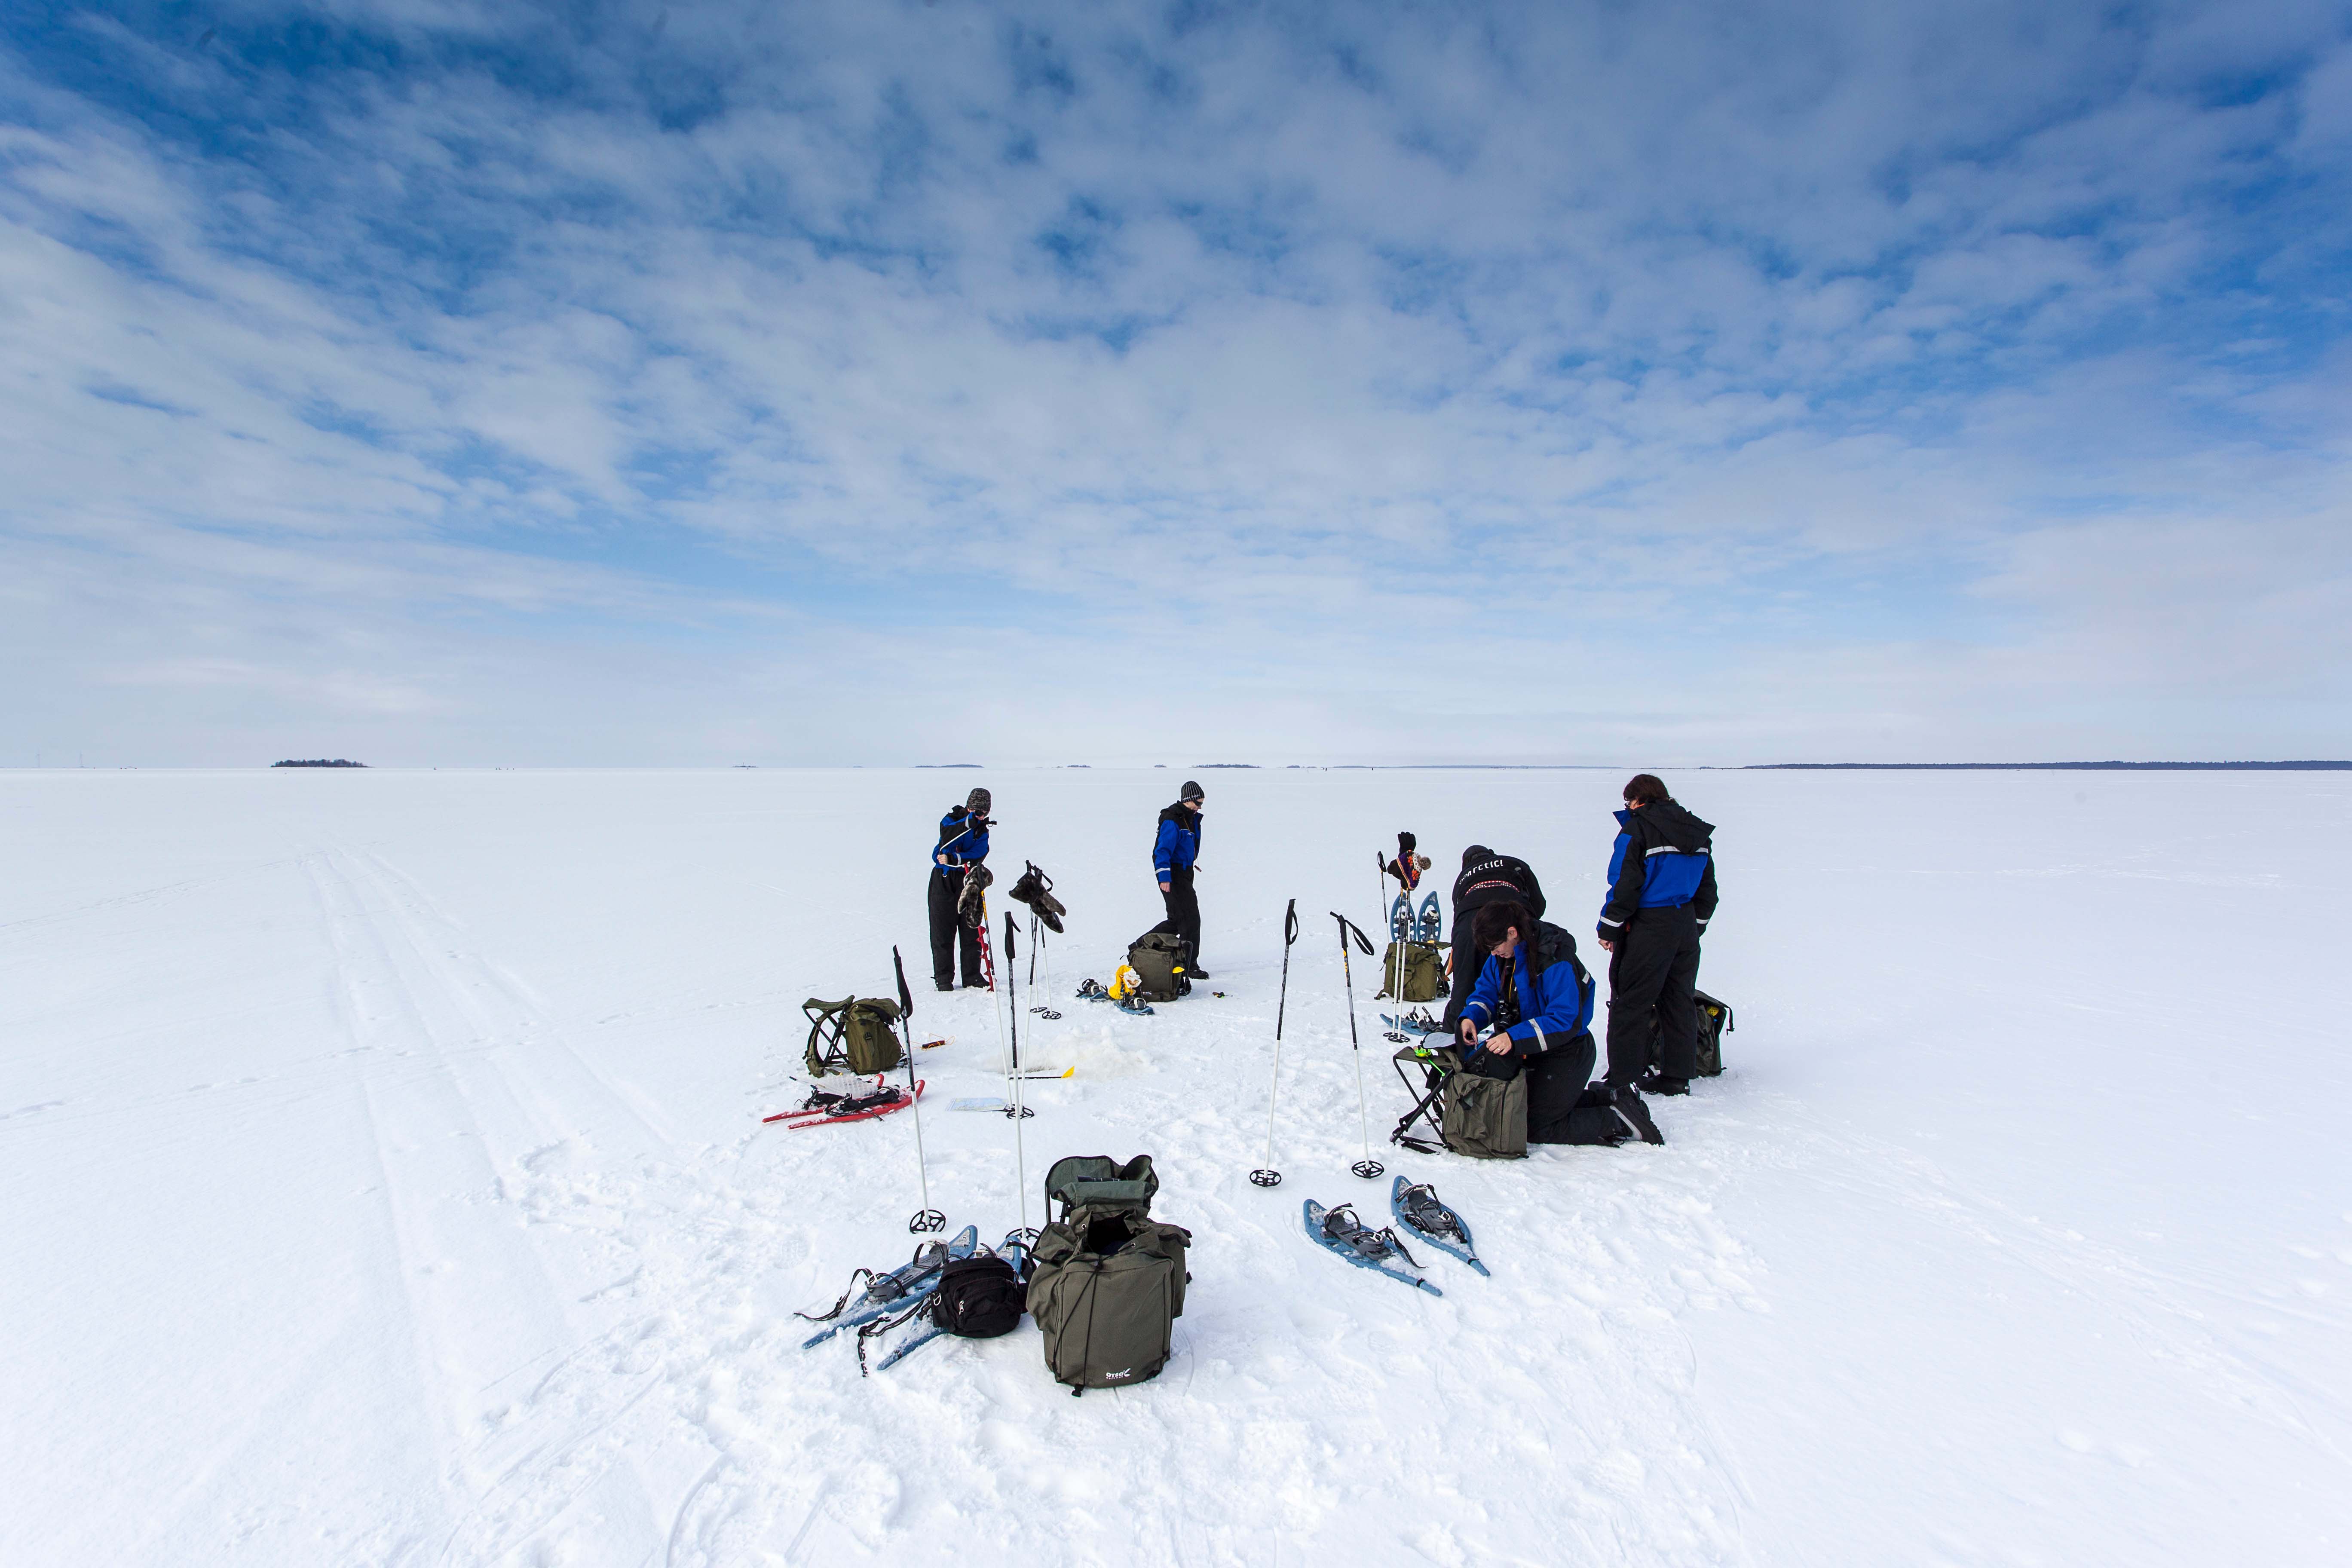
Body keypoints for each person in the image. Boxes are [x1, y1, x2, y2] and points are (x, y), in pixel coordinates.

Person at [1456, 900, 1661, 1145]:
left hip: (1569, 1050)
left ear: (1512, 932)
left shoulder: (1554, 958)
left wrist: (1513, 1037)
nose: (1493, 953)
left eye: (1495, 946)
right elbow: (1486, 992)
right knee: (1516, 1109)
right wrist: (1471, 1017)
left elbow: (1564, 1020)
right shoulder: (1502, 956)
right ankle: (1612, 1098)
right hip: (1533, 1049)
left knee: (1532, 1127)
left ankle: (1619, 1121)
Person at [1595, 774, 1718, 1095]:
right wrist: (1696, 926)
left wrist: (1610, 927)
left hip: (1648, 924)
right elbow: (1708, 891)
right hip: (1685, 922)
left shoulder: (1637, 829)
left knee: (1630, 1001)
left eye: (1628, 803)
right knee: (1678, 999)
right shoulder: (1697, 831)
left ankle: (1623, 1078)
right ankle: (1677, 1076)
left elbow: (1625, 884)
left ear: (1637, 801)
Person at [1443, 845, 1547, 1032]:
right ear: (1491, 853)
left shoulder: (1464, 876)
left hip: (1470, 925)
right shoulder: (1513, 863)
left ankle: (1452, 1042)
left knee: (1464, 988)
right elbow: (1539, 904)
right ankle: (1523, 1037)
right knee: (1523, 982)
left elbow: (1458, 912)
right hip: (1513, 918)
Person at [928, 787, 992, 991]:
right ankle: (944, 978)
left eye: (984, 814)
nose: (980, 817)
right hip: (943, 881)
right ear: (968, 807)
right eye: (976, 812)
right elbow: (946, 837)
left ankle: (972, 976)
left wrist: (956, 859)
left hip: (969, 881)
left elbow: (980, 853)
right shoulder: (951, 820)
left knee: (971, 929)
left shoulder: (982, 831)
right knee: (942, 931)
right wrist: (967, 824)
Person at [1153, 780, 1207, 979]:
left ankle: (1142, 945)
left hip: (1185, 873)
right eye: (1197, 803)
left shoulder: (1189, 817)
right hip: (1173, 875)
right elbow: (1162, 851)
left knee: (1177, 920)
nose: (1199, 807)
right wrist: (1165, 877)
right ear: (1187, 800)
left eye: (1202, 804)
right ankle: (1190, 965)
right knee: (1190, 919)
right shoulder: (1173, 820)